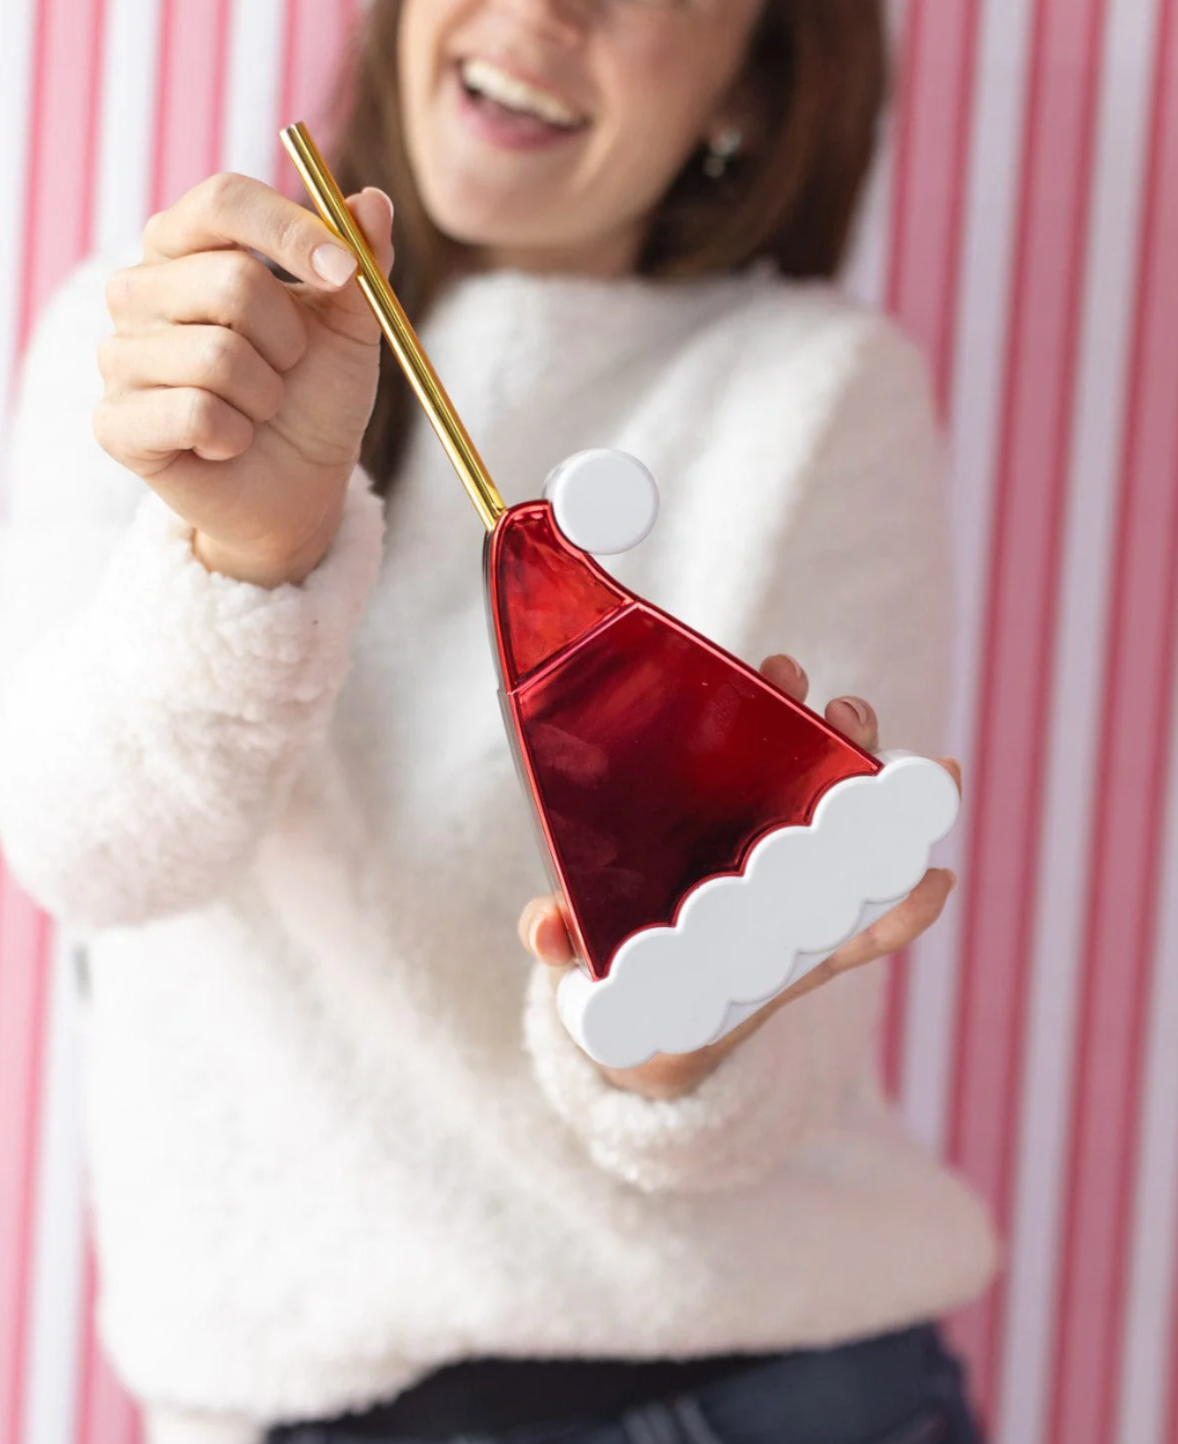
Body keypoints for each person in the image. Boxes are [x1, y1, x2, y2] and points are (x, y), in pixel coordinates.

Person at [0, 1, 999, 1442]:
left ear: (753, 85)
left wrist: (666, 1044)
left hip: (750, 1381)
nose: (544, 8)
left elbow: (762, 1071)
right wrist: (247, 555)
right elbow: (89, 855)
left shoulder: (813, 387)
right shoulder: (180, 344)